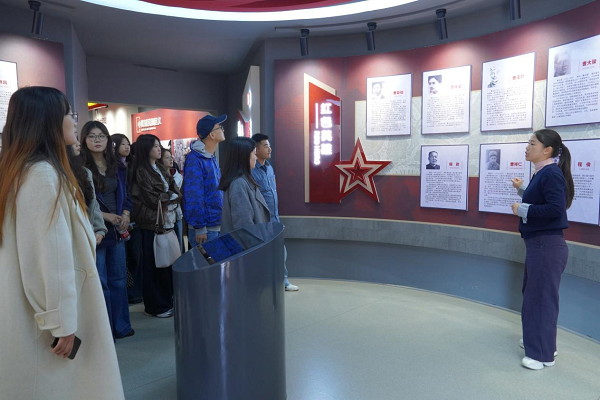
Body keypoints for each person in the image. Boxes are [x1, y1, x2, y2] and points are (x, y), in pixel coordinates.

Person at [0, 86, 125, 399]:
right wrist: (62, 321)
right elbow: (50, 256)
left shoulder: (20, 171)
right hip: (53, 319)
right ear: (48, 121)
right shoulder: (43, 176)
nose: (74, 120)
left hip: (35, 313)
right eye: (69, 113)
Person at [510, 129, 574, 371]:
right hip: (540, 244)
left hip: (545, 245)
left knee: (539, 300)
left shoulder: (551, 173)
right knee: (537, 296)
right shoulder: (543, 172)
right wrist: (522, 190)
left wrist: (522, 209)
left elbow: (556, 209)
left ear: (547, 150)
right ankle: (542, 342)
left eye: (532, 144)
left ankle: (541, 355)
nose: (527, 148)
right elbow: (541, 199)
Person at [80, 121, 134, 339]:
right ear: (84, 140)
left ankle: (121, 326)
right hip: (95, 231)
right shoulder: (80, 168)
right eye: (92, 136)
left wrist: (126, 214)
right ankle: (105, 332)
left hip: (118, 231)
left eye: (101, 136)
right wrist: (105, 216)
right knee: (101, 283)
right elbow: (81, 203)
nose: (97, 140)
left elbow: (127, 196)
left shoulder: (118, 167)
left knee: (119, 280)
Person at [130, 134, 181, 318]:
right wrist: (170, 197)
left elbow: (176, 191)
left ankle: (166, 301)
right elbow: (153, 199)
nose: (159, 149)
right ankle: (156, 306)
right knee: (154, 266)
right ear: (146, 149)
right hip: (151, 224)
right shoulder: (141, 171)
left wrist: (170, 197)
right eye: (155, 146)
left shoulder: (159, 167)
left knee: (167, 263)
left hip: (166, 221)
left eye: (159, 146)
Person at [251, 134, 298, 291]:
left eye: (269, 145)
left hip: (274, 219)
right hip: (262, 222)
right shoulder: (252, 171)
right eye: (265, 146)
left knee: (280, 252)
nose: (269, 149)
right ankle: (265, 283)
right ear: (256, 149)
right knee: (263, 255)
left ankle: (283, 281)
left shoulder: (269, 168)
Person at [183, 114, 226, 247]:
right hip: (205, 230)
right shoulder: (195, 159)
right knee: (205, 261)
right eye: (220, 127)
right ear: (211, 135)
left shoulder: (210, 157)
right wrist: (200, 227)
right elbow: (193, 195)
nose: (223, 130)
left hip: (214, 225)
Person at [219, 137, 270, 234]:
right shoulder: (239, 184)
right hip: (249, 241)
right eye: (254, 154)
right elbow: (244, 226)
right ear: (244, 156)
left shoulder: (244, 180)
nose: (256, 158)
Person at [67, 141, 108, 245]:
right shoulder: (55, 173)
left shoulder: (85, 172)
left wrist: (100, 229)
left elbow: (93, 203)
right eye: (73, 140)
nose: (78, 143)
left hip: (89, 232)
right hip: (70, 236)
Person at [160, 147, 184, 253]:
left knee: (178, 246)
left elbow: (179, 196)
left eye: (171, 157)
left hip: (177, 214)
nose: (171, 159)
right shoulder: (158, 177)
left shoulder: (176, 176)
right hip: (165, 217)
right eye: (167, 157)